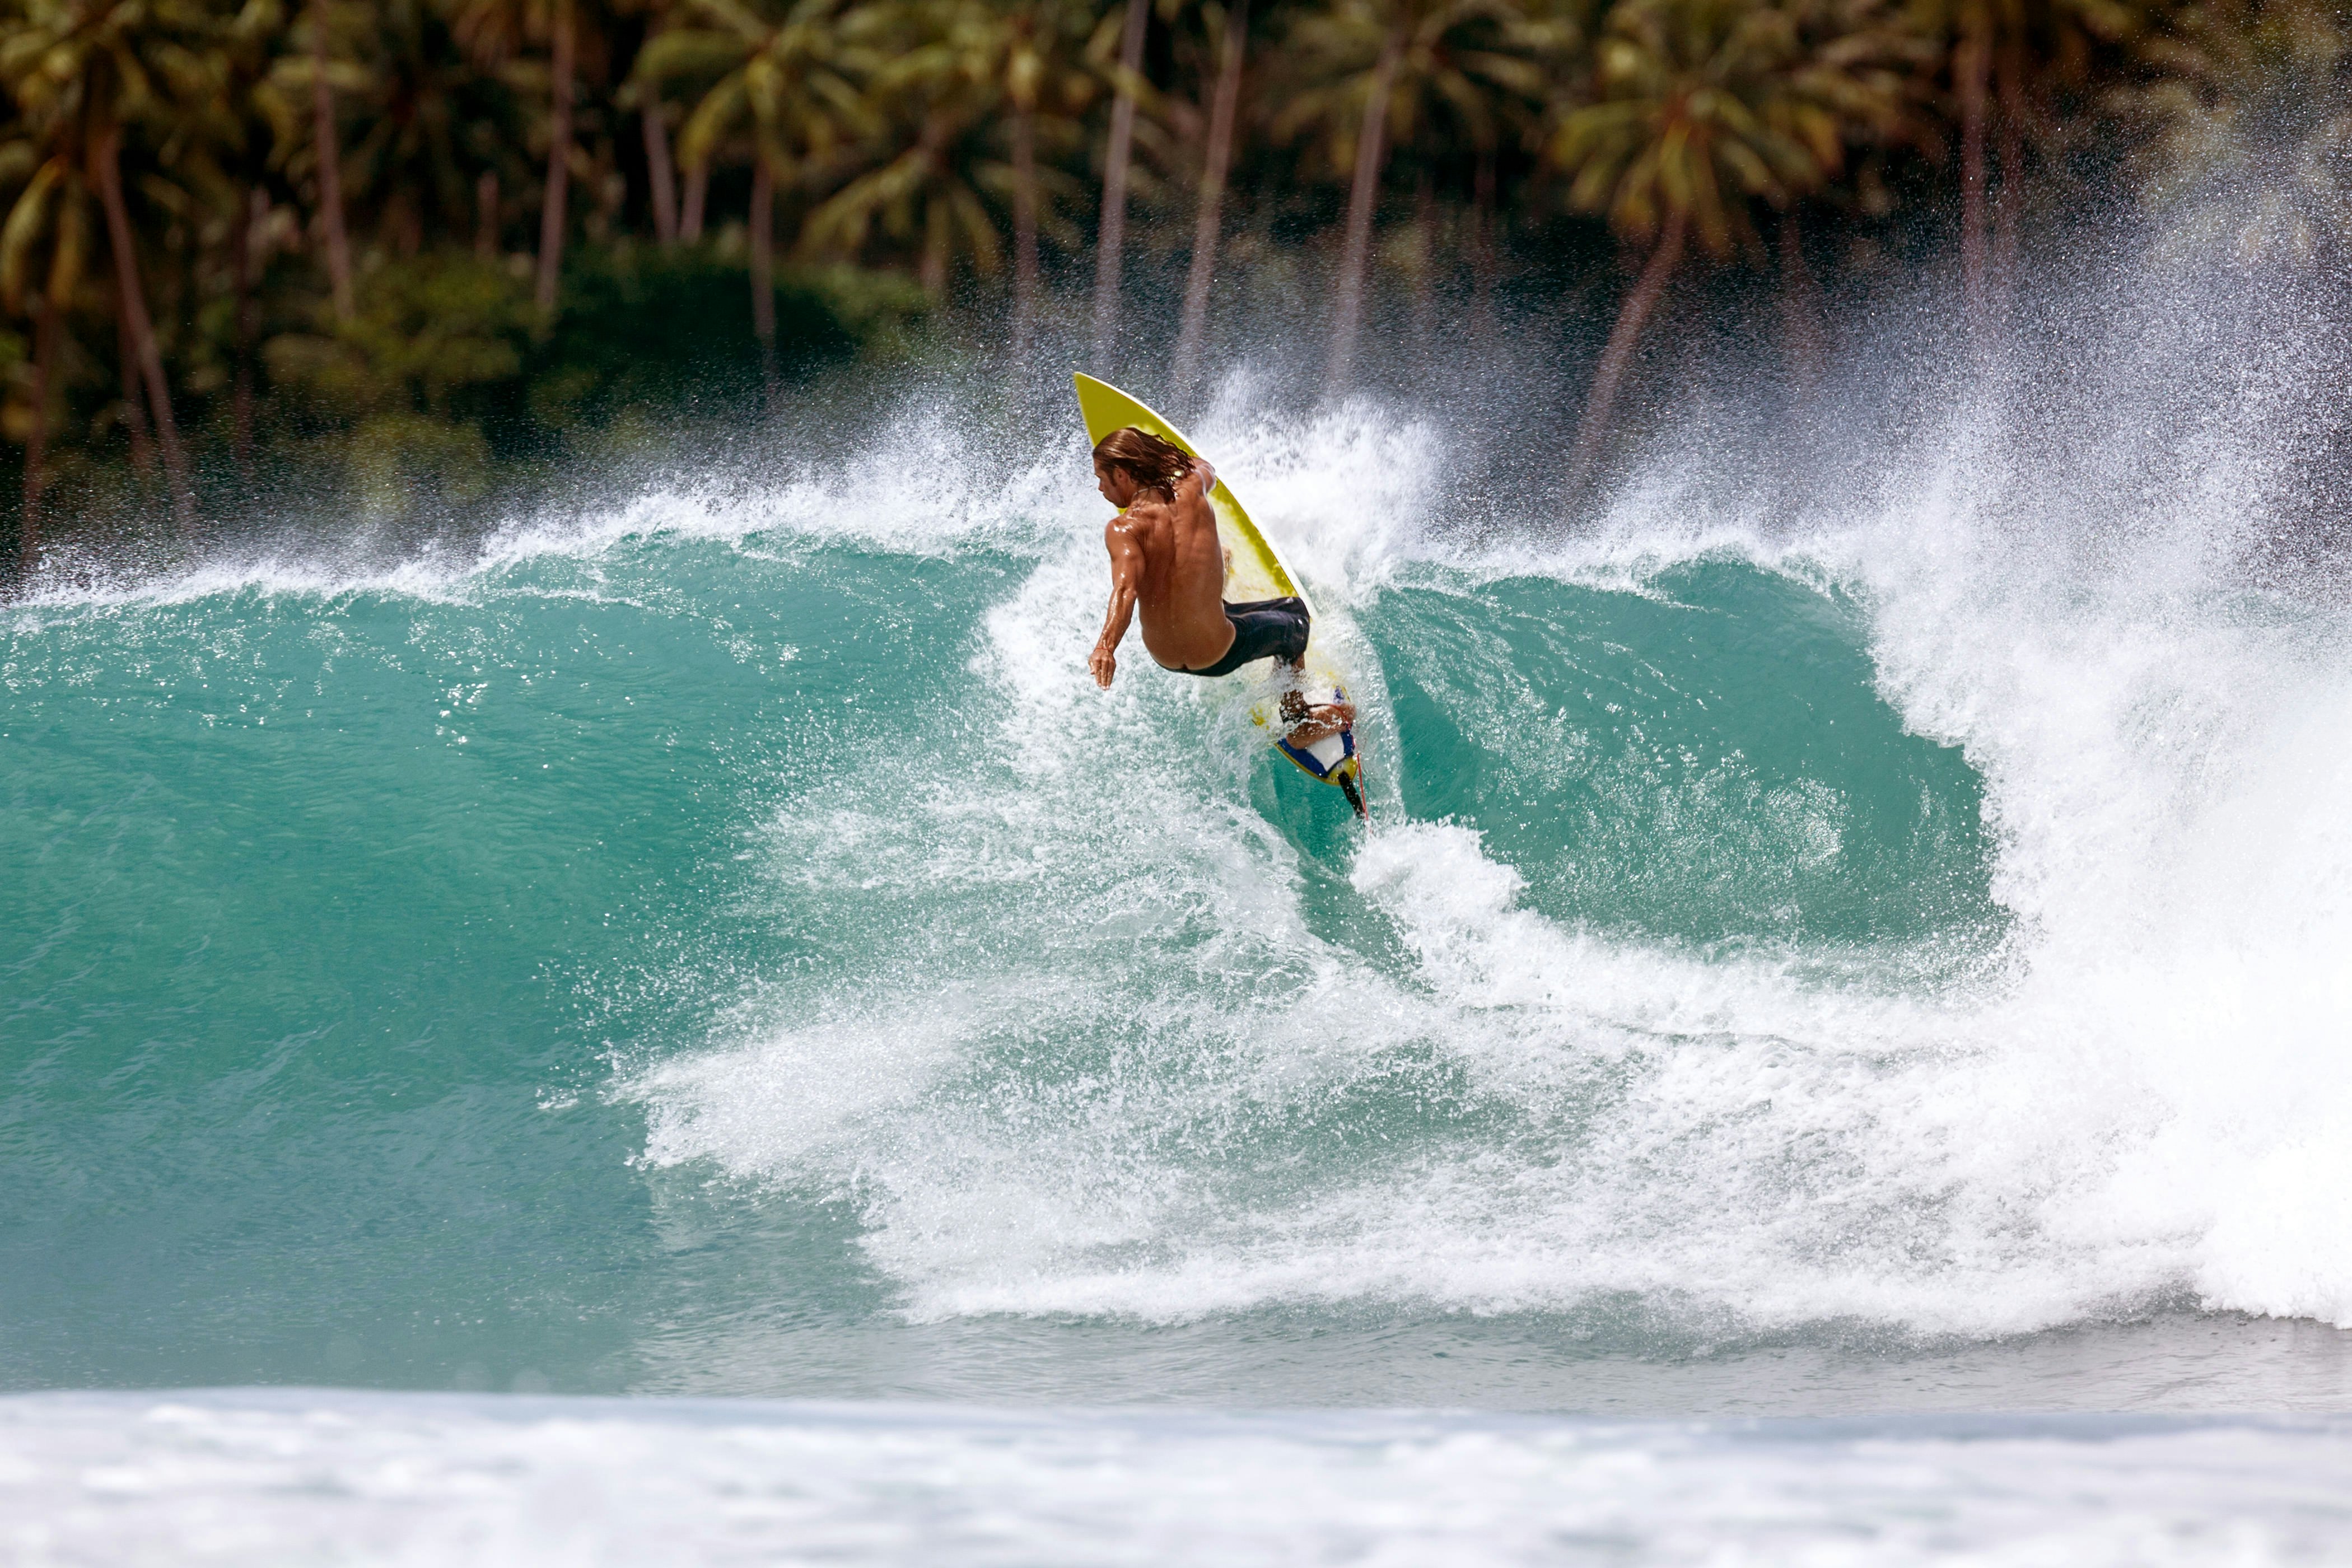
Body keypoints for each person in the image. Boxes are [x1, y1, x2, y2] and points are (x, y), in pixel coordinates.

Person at [1086, 426, 1354, 744]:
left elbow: (1126, 590)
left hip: (1164, 654)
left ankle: (1222, 570)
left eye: (1102, 478)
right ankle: (1299, 720)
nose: (1100, 487)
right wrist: (1167, 456)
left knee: (1201, 573)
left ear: (1122, 475)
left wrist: (1106, 646)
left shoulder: (1123, 529)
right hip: (1215, 654)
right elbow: (1205, 466)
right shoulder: (1192, 486)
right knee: (1296, 617)